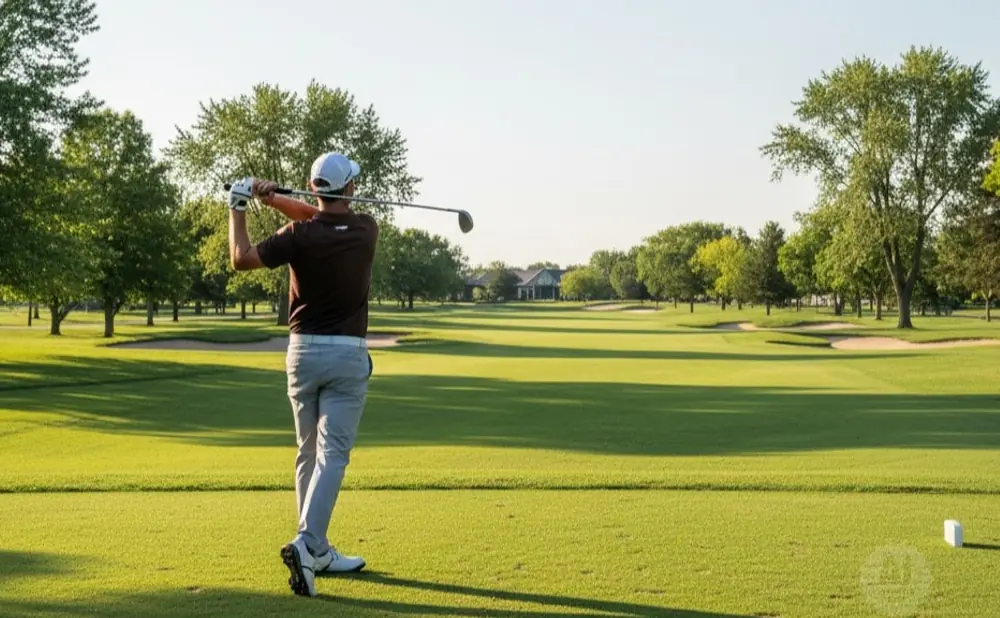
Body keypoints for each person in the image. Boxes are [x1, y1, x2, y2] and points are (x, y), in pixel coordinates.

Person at [226, 152, 378, 597]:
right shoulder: (366, 228)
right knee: (333, 456)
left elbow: (242, 258)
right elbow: (324, 216)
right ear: (350, 189)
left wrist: (240, 207)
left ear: (313, 189)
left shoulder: (298, 234)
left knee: (306, 453)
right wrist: (274, 199)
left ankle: (318, 550)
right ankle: (308, 543)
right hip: (347, 356)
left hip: (301, 355)